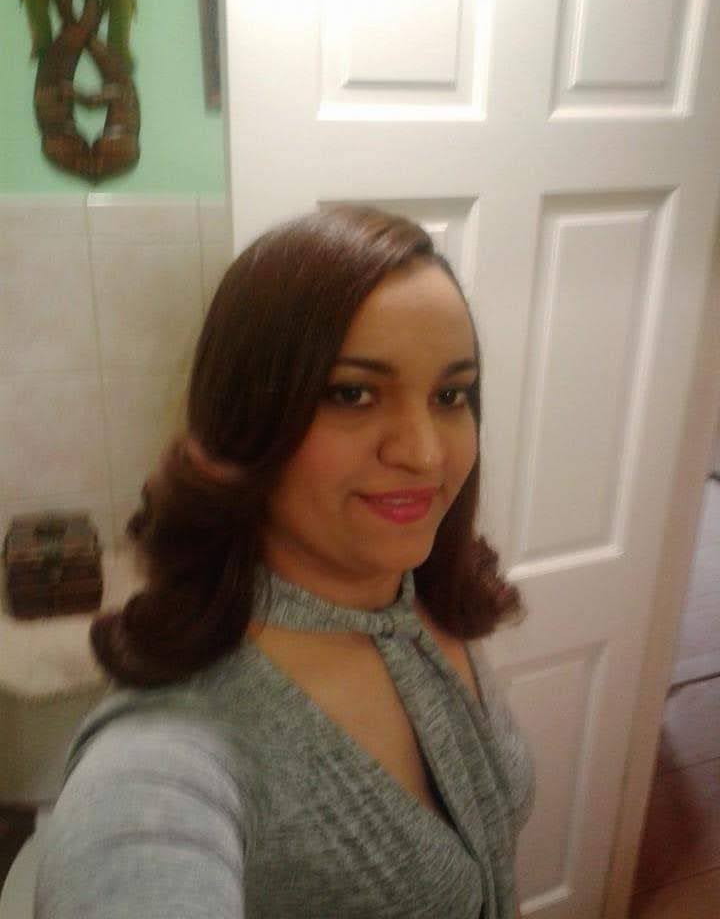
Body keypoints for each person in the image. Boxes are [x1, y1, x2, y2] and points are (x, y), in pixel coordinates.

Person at [34, 205, 535, 919]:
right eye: (352, 394)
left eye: (450, 395)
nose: (426, 455)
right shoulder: (169, 752)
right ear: (246, 421)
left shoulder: (423, 599)